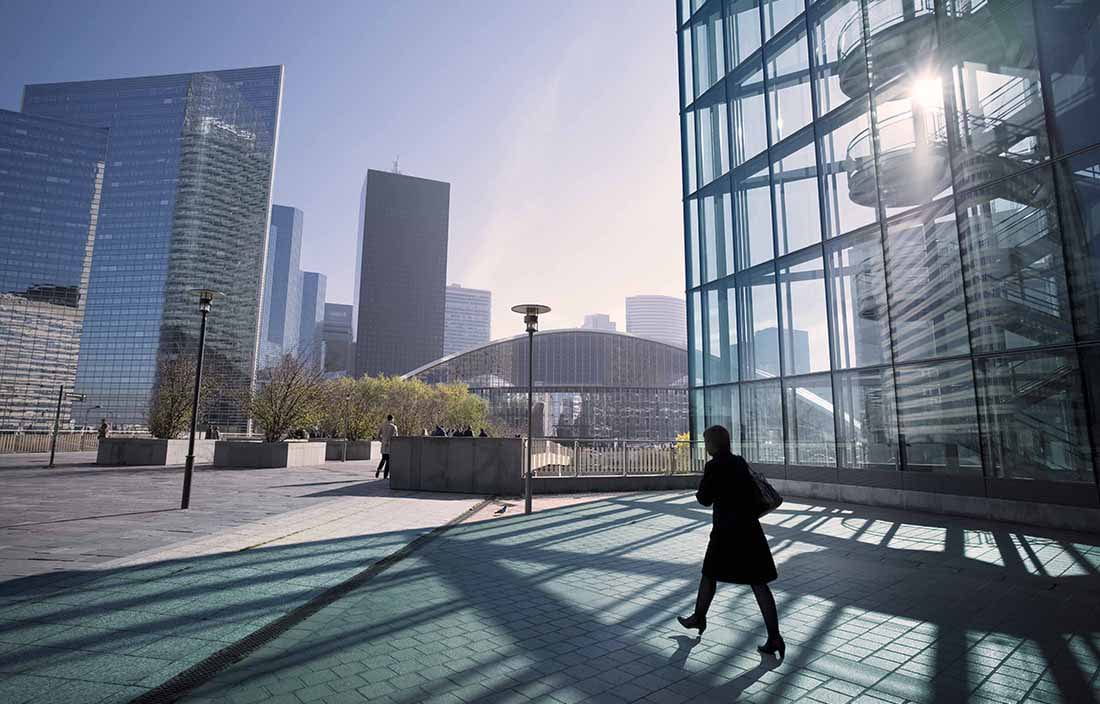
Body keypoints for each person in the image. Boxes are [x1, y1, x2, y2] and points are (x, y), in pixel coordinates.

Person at [677, 425, 784, 660]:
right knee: (758, 583)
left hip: (726, 533)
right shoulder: (738, 461)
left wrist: (704, 487)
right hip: (749, 531)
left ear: (714, 444)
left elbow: (704, 499)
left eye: (706, 442)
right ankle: (774, 636)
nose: (705, 447)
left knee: (709, 574)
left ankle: (698, 617)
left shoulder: (714, 466)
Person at [376, 414, 398, 479]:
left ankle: (378, 469)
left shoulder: (382, 426)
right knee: (388, 461)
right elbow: (396, 437)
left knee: (383, 458)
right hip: (390, 445)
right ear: (392, 419)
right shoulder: (394, 427)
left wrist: (382, 441)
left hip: (383, 445)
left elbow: (378, 436)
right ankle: (385, 475)